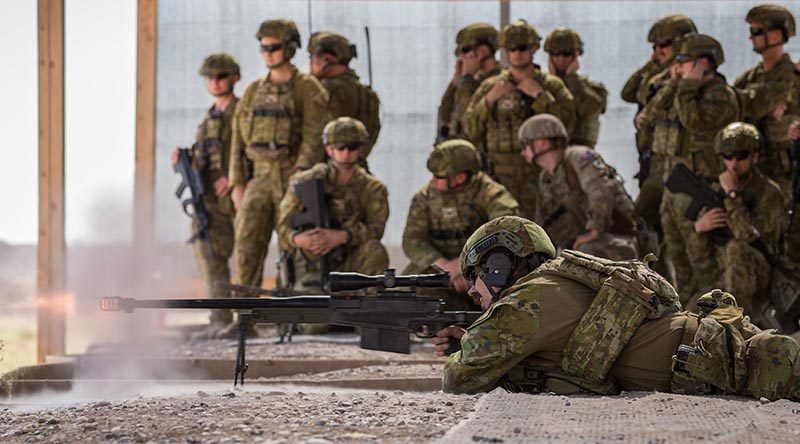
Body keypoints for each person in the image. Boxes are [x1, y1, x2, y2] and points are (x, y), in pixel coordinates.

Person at [432, 215, 800, 402]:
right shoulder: (554, 283)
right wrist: (470, 341)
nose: (475, 291)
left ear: (499, 266)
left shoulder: (526, 300)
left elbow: (460, 379)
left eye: (476, 276)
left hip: (742, 363)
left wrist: (465, 350)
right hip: (721, 352)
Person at [228, 19, 329, 292]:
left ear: (290, 48)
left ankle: (288, 314)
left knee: (291, 247)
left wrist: (300, 179)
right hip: (259, 178)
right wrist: (237, 184)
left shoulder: (308, 88)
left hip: (292, 177)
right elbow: (238, 140)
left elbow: (313, 135)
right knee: (246, 243)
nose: (268, 53)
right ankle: (244, 316)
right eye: (263, 48)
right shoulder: (253, 91)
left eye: (274, 47)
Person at [648, 33, 740, 298]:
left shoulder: (719, 94)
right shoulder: (687, 90)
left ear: (703, 63)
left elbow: (694, 122)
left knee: (702, 259)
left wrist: (686, 85)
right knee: (676, 254)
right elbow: (654, 111)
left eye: (684, 60)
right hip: (682, 185)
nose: (678, 66)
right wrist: (677, 83)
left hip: (706, 187)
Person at [463, 19, 576, 220]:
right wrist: (490, 100)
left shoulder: (551, 86)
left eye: (523, 47)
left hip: (539, 174)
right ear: (505, 50)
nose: (517, 53)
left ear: (534, 48)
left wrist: (540, 96)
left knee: (543, 232)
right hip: (498, 175)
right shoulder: (490, 86)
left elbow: (567, 124)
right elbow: (470, 128)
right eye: (512, 48)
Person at [679, 122, 783, 325]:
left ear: (754, 156)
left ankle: (738, 324)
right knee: (688, 315)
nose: (734, 163)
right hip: (722, 278)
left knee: (737, 249)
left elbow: (747, 235)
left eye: (741, 155)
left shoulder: (769, 192)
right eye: (728, 157)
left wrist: (733, 196)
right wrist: (699, 229)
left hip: (760, 278)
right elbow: (698, 257)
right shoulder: (714, 191)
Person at [276, 117, 389, 293]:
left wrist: (341, 237)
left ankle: (368, 308)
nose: (346, 152)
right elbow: (283, 225)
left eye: (352, 147)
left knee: (375, 250)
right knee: (317, 318)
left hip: (351, 259)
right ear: (329, 149)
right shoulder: (305, 182)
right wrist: (300, 239)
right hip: (311, 263)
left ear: (360, 150)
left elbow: (376, 229)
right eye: (340, 147)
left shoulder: (373, 188)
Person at [402, 139, 519, 308]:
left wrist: (465, 267)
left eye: (439, 176)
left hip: (484, 267)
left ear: (460, 177)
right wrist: (447, 268)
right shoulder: (425, 198)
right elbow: (412, 241)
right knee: (409, 288)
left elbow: (507, 231)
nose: (433, 180)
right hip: (442, 269)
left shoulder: (492, 194)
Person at [171, 54, 240, 339]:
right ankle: (219, 317)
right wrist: (182, 160)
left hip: (234, 196)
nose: (214, 82)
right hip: (208, 198)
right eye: (209, 78)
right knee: (208, 254)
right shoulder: (209, 117)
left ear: (234, 77)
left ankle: (243, 319)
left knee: (244, 255)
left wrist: (234, 179)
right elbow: (206, 156)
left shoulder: (240, 112)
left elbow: (248, 151)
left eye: (221, 76)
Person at [519, 114, 637, 260]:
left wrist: (595, 230)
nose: (522, 152)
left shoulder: (579, 157)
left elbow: (600, 189)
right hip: (591, 245)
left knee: (585, 252)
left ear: (541, 143)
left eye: (525, 145)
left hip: (618, 238)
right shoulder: (547, 178)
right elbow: (543, 222)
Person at [735, 4, 800, 261]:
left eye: (756, 31)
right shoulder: (750, 77)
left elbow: (750, 102)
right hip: (755, 173)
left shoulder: (793, 77)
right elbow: (736, 104)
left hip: (786, 175)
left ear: (775, 35)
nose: (750, 36)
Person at [624, 15, 698, 234]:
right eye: (655, 46)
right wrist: (653, 62)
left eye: (663, 45)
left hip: (682, 166)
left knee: (677, 230)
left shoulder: (696, 77)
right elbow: (629, 92)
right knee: (647, 224)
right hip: (655, 163)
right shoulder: (658, 78)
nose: (658, 50)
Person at [308, 32, 381, 169]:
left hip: (325, 173)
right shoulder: (364, 93)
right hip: (354, 170)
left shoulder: (324, 91)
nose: (310, 62)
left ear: (327, 60)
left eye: (312, 57)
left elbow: (314, 137)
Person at [437, 23, 501, 143]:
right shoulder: (469, 81)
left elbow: (467, 120)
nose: (462, 57)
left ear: (483, 51)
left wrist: (467, 78)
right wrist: (456, 82)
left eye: (466, 51)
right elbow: (445, 114)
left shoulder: (499, 82)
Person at [544, 27, 607, 148]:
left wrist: (571, 79)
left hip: (580, 154)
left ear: (576, 55)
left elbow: (590, 108)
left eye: (567, 54)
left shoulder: (593, 89)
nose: (561, 59)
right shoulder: (539, 86)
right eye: (555, 54)